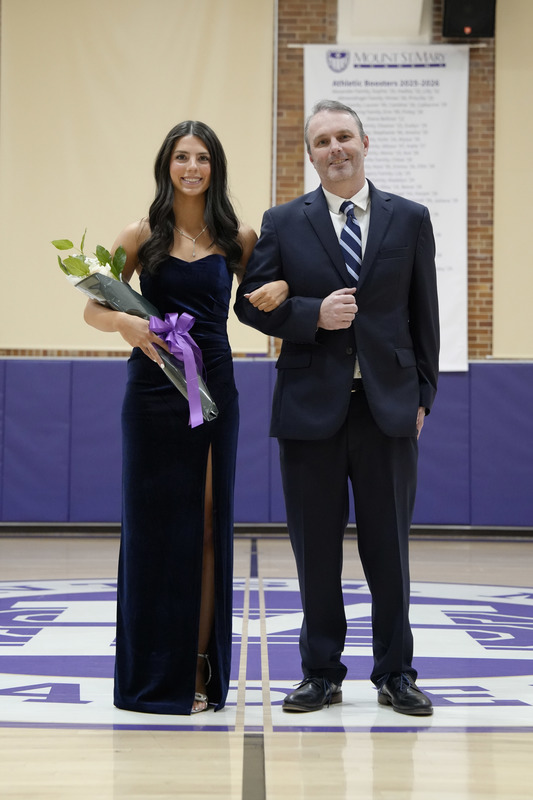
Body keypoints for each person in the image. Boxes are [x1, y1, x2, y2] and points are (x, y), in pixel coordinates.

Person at [235, 100, 440, 716]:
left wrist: (423, 395)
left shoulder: (409, 219)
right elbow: (249, 306)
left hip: (387, 408)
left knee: (389, 549)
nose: (335, 148)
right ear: (310, 153)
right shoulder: (281, 222)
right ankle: (321, 672)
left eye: (344, 136)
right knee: (315, 548)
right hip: (308, 409)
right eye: (322, 141)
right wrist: (309, 314)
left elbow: (423, 315)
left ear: (365, 142)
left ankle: (395, 672)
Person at [84, 120, 287, 715]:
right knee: (150, 533)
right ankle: (150, 675)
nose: (192, 167)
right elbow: (95, 308)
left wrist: (283, 288)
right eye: (182, 157)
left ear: (215, 167)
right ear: (166, 165)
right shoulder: (140, 233)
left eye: (202, 158)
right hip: (150, 387)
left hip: (214, 388)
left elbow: (262, 303)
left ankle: (198, 672)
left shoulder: (237, 236)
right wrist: (124, 323)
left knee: (204, 528)